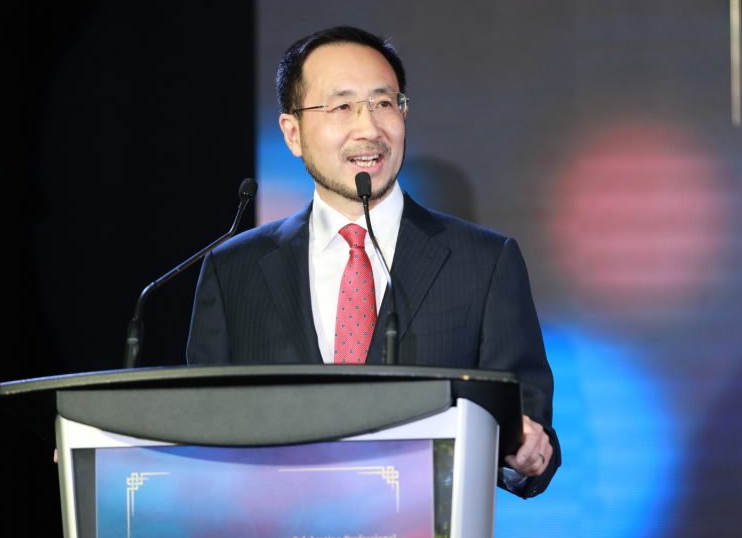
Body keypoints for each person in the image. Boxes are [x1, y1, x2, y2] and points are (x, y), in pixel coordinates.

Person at [187, 26, 558, 497]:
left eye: (384, 103)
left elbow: (530, 432)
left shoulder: (484, 262)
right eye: (342, 107)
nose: (369, 129)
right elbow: (202, 429)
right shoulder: (233, 270)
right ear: (293, 133)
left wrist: (523, 457)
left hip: (426, 537)